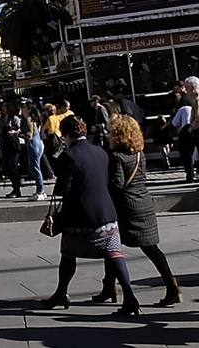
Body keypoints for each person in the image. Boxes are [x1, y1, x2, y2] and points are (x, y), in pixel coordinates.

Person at [40, 116, 141, 317]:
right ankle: (130, 297)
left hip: (80, 214)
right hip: (106, 211)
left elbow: (64, 189)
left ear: (66, 134)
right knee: (114, 253)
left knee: (68, 254)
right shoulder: (101, 151)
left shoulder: (68, 156)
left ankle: (61, 293)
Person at [94, 115, 180, 307]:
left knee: (113, 247)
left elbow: (117, 184)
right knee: (149, 248)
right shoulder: (139, 153)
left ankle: (111, 288)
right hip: (144, 202)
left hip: (127, 207)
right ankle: (170, 284)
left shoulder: (116, 156)